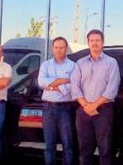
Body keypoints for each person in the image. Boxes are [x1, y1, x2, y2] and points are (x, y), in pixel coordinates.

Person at [71, 29, 120, 165]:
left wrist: (94, 105)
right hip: (83, 111)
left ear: (103, 43)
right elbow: (74, 86)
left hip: (103, 111)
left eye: (98, 40)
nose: (94, 43)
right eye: (92, 40)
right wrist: (86, 106)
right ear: (88, 43)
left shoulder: (111, 62)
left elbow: (112, 89)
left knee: (105, 149)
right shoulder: (80, 63)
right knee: (84, 150)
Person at [38, 37, 75, 165]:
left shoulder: (73, 66)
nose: (59, 50)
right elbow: (41, 82)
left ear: (66, 49)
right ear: (52, 49)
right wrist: (61, 81)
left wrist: (51, 86)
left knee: (68, 145)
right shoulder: (46, 65)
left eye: (62, 47)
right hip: (48, 108)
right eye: (56, 47)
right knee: (49, 145)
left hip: (66, 108)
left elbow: (73, 86)